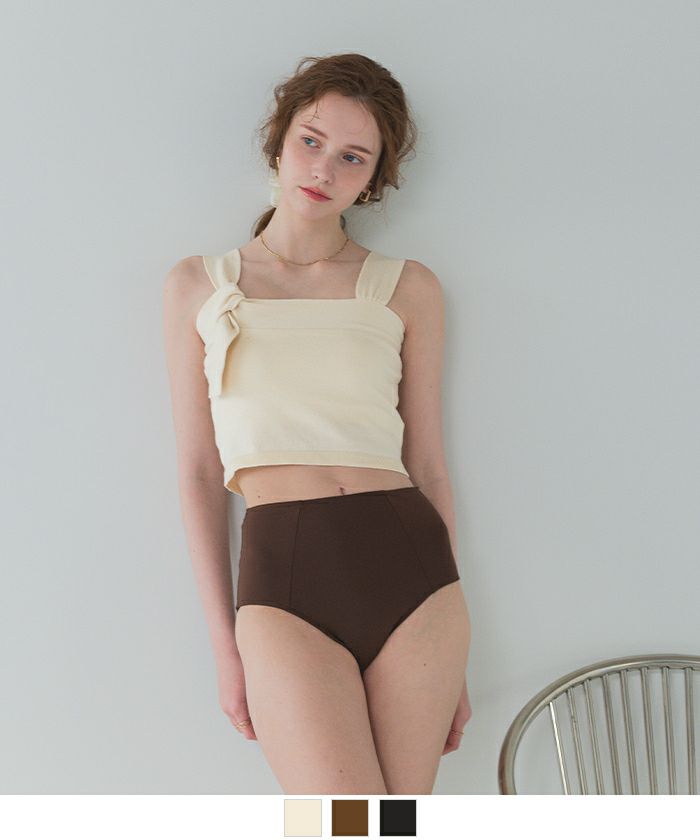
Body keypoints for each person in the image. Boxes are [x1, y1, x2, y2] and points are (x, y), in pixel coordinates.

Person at [162, 53, 472, 795]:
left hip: (415, 576)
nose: (324, 168)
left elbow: (429, 464)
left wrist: (457, 661)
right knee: (338, 826)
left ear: (374, 179)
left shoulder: (408, 287)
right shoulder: (199, 285)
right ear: (279, 140)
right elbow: (200, 474)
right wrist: (226, 647)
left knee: (398, 827)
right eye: (311, 140)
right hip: (284, 580)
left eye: (352, 156)